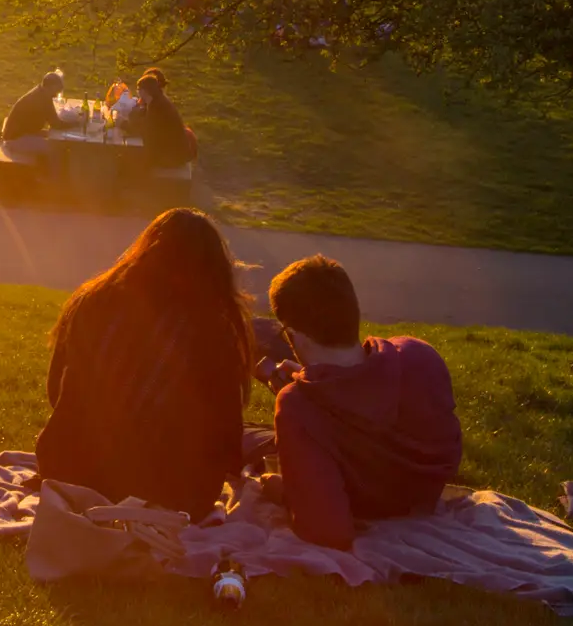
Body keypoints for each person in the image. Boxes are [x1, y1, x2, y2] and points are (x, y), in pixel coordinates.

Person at [36, 208, 255, 519]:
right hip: (174, 493)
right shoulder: (214, 326)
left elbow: (55, 390)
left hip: (70, 471)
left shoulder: (94, 300)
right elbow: (226, 426)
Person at [265, 256, 462, 551]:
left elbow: (327, 531)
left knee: (253, 445)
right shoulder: (420, 356)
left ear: (293, 335)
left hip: (372, 508)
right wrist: (313, 382)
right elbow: (363, 385)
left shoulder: (297, 407)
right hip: (425, 495)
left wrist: (285, 491)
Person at [0, 69, 74, 160]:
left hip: (21, 133)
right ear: (50, 87)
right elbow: (56, 124)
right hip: (15, 140)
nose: (56, 95)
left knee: (53, 138)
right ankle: (51, 169)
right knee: (55, 148)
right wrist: (76, 124)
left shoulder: (40, 92)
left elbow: (53, 121)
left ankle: (45, 165)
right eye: (56, 91)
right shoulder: (42, 99)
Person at [129, 68, 192, 170]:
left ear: (144, 92)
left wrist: (122, 124)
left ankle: (140, 179)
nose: (137, 92)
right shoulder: (156, 101)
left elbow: (146, 130)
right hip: (171, 151)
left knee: (134, 160)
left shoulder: (158, 107)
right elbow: (141, 118)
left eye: (138, 90)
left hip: (172, 156)